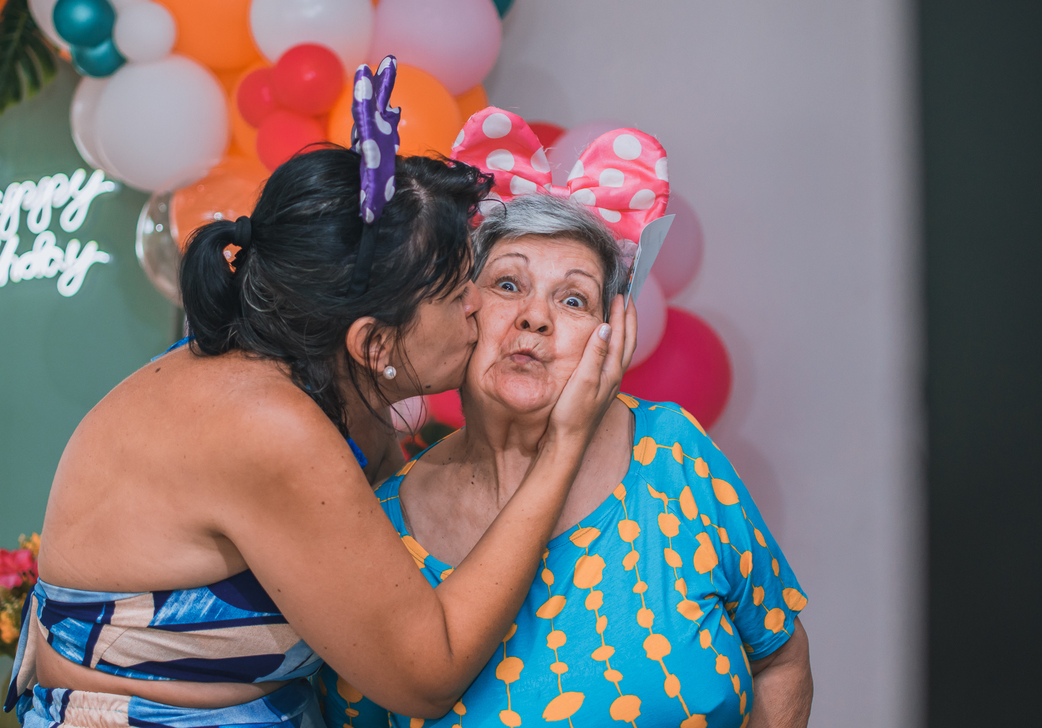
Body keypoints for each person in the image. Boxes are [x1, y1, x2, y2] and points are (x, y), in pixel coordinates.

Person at [5, 62, 636, 728]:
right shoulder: (268, 426)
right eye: (460, 294)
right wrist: (563, 444)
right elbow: (427, 674)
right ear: (375, 345)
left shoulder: (320, 378)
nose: (482, 306)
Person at [319, 112, 812, 728]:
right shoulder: (383, 526)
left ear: (614, 332)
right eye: (507, 285)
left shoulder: (674, 453)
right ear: (460, 311)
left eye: (573, 298)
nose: (536, 317)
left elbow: (780, 659)